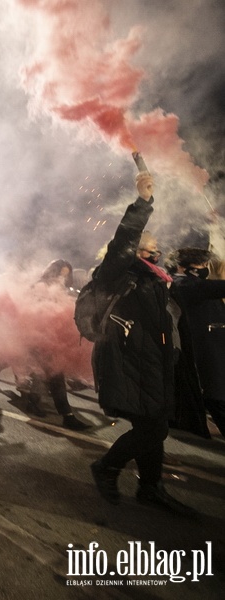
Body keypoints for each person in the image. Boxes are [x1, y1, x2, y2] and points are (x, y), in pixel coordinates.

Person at [88, 172, 197, 517]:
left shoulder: (155, 278)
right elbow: (123, 241)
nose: (156, 251)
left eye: (156, 248)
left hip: (152, 362)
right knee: (153, 427)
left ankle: (150, 487)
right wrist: (143, 203)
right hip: (128, 362)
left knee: (155, 426)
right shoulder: (119, 272)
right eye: (148, 248)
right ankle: (107, 466)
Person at [15, 260, 92, 430]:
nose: (62, 279)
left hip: (52, 338)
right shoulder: (39, 286)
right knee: (54, 375)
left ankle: (34, 402)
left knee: (47, 374)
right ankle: (67, 415)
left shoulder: (63, 289)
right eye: (60, 274)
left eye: (66, 275)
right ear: (52, 272)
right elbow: (29, 311)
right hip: (38, 337)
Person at [168, 247, 225, 439]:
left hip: (213, 353)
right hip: (202, 354)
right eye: (200, 265)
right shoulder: (181, 284)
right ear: (184, 267)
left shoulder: (196, 284)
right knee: (217, 399)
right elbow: (208, 289)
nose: (204, 268)